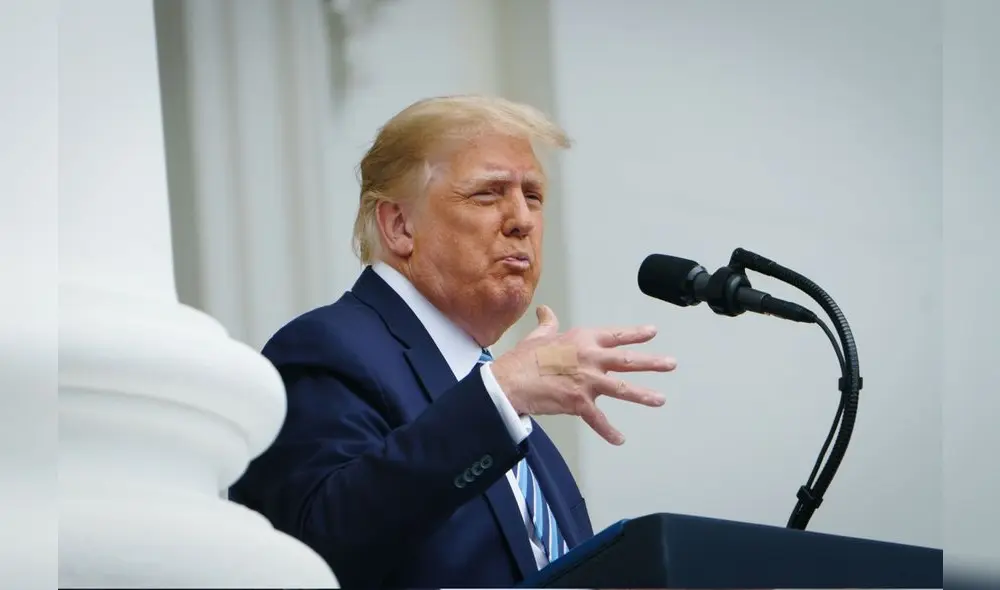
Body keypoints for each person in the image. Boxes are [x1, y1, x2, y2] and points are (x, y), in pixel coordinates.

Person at [228, 95, 677, 588]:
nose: (522, 219)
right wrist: (503, 394)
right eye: (488, 194)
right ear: (399, 225)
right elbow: (316, 547)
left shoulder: (512, 420)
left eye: (533, 195)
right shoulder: (326, 349)